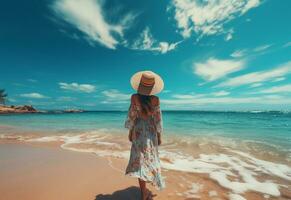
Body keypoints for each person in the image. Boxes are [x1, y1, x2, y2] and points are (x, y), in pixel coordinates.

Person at [125, 70, 165, 200]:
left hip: (138, 131)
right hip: (151, 132)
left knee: (139, 162)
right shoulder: (156, 100)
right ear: (152, 87)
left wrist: (130, 131)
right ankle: (146, 191)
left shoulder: (134, 97)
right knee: (151, 159)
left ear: (140, 85)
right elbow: (158, 119)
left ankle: (143, 193)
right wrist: (159, 136)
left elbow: (132, 116)